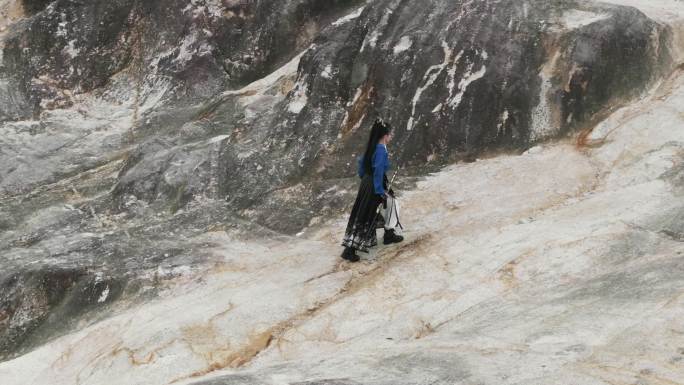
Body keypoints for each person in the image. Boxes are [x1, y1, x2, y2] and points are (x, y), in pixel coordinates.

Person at [341, 119, 404, 262]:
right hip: (375, 185)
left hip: (367, 183)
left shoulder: (372, 146)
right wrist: (379, 190)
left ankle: (388, 233)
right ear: (385, 135)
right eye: (390, 134)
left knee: (383, 206)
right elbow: (378, 171)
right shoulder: (381, 150)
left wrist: (365, 179)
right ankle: (350, 249)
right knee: (369, 213)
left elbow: (362, 165)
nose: (391, 136)